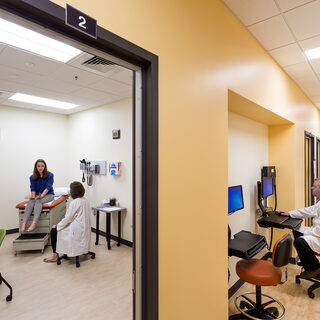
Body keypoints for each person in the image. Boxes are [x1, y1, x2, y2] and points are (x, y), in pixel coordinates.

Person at [279, 178, 320, 279]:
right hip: (316, 232)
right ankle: (307, 261)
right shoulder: (319, 203)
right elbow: (309, 210)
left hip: (318, 236)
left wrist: (307, 233)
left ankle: (314, 269)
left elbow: (318, 230)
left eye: (314, 186)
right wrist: (290, 213)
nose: (312, 188)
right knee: (296, 230)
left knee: (299, 241)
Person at [43, 181, 91, 263]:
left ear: (73, 192)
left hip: (76, 230)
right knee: (61, 228)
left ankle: (55, 255)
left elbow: (67, 219)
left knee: (54, 231)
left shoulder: (74, 203)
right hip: (84, 228)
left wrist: (57, 226)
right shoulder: (85, 200)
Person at [21, 159, 54, 232]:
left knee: (38, 201)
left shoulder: (50, 175)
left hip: (49, 195)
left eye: (42, 166)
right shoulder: (32, 177)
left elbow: (48, 187)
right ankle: (24, 223)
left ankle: (34, 223)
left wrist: (41, 196)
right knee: (31, 201)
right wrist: (32, 196)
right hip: (38, 195)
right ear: (36, 167)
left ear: (45, 166)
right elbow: (33, 188)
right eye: (38, 166)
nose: (40, 167)